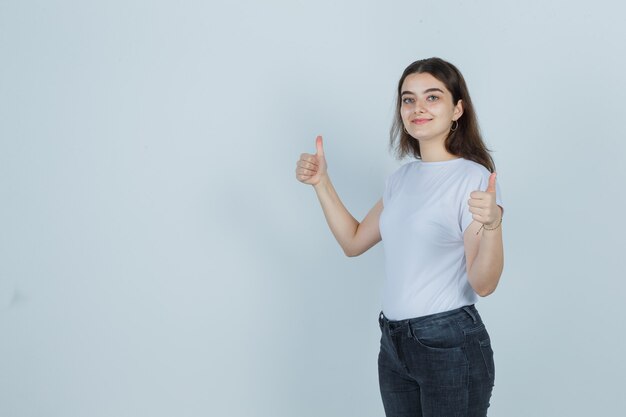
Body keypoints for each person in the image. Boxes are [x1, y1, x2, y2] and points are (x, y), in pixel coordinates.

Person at [295, 57, 504, 417]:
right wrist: (321, 183)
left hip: (449, 343)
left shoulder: (472, 178)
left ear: (458, 109)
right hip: (394, 344)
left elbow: (483, 284)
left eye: (432, 97)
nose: (417, 108)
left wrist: (493, 226)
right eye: (408, 99)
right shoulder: (401, 179)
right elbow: (354, 242)